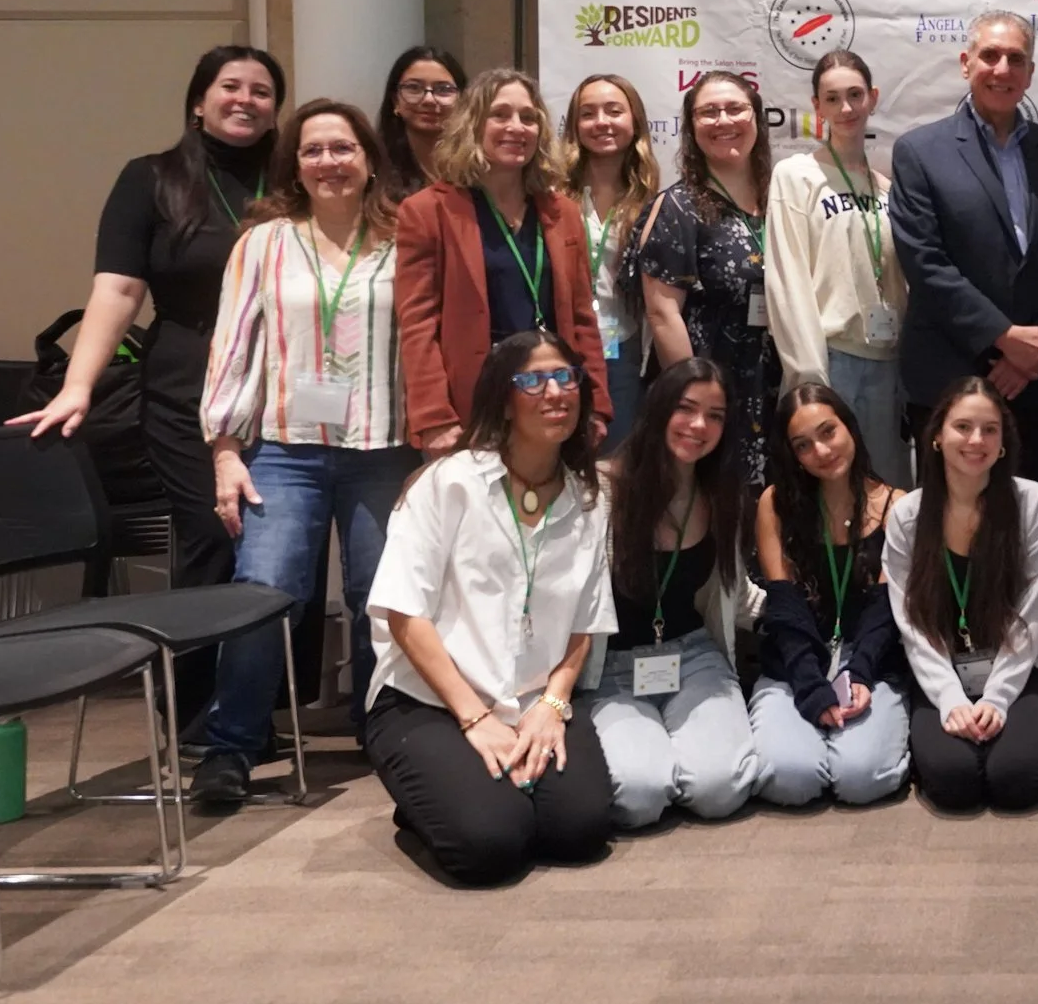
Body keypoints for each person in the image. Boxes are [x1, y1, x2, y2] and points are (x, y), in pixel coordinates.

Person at [18, 44, 287, 733]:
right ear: (198, 100)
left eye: (262, 91)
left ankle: (263, 705)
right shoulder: (152, 179)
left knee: (280, 541)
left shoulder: (292, 175)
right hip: (183, 381)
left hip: (285, 378)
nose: (246, 100)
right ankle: (195, 707)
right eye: (231, 86)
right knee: (212, 534)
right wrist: (78, 384)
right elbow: (118, 287)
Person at [190, 99, 417, 806]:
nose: (329, 161)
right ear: (295, 162)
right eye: (314, 150)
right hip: (286, 450)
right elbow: (232, 349)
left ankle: (386, 730)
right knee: (265, 595)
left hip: (385, 449)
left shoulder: (404, 236)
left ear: (369, 157)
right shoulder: (261, 243)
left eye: (342, 148)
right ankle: (234, 743)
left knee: (381, 600)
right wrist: (226, 451)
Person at [361, 332, 616, 886]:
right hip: (427, 700)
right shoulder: (449, 484)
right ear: (504, 397)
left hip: (530, 701)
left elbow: (584, 624)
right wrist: (473, 717)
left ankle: (465, 789)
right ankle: (431, 794)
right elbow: (404, 614)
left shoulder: (587, 497)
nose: (554, 392)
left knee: (580, 830)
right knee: (489, 846)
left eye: (565, 377)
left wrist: (552, 703)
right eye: (532, 380)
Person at [890, 11, 1038, 485]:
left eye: (1016, 59)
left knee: (1024, 525)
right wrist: (1003, 338)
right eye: (990, 56)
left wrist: (1033, 353)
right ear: (966, 63)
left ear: (1030, 73)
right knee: (943, 529)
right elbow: (925, 263)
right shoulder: (919, 151)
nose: (1002, 69)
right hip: (948, 373)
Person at [584, 358, 764, 827]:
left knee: (720, 790)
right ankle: (656, 758)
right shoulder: (600, 492)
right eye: (686, 408)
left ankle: (675, 754)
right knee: (638, 797)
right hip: (613, 668)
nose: (699, 425)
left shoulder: (722, 495)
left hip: (694, 657)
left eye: (716, 415)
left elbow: (734, 593)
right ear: (659, 410)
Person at [395, 68, 609, 458]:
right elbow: (418, 326)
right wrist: (433, 417)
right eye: (500, 115)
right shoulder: (428, 211)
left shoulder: (563, 212)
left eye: (528, 117)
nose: (517, 127)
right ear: (473, 124)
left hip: (552, 398)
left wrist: (595, 404)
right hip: (472, 407)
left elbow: (582, 318)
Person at [884, 377, 1038, 811]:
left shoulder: (1033, 503)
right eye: (963, 426)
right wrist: (949, 698)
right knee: (952, 782)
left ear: (1004, 442)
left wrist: (999, 698)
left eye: (989, 429)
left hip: (1020, 671)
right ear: (937, 437)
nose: (976, 440)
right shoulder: (908, 515)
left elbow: (1033, 612)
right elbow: (910, 621)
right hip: (940, 669)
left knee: (1018, 779)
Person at [748, 383, 910, 807]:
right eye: (803, 445)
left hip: (870, 662)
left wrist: (859, 674)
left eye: (828, 432)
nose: (821, 451)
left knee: (860, 778)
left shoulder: (899, 505)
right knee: (789, 779)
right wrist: (807, 683)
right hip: (794, 659)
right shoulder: (776, 503)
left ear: (850, 429)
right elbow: (783, 605)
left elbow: (884, 613)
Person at [766, 51, 912, 487]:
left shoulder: (886, 187)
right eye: (833, 98)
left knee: (884, 490)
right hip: (830, 359)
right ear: (817, 107)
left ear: (872, 98)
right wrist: (809, 378)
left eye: (855, 95)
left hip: (887, 362)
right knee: (826, 493)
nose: (846, 108)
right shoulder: (795, 175)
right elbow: (787, 280)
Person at [631, 71, 778, 495]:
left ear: (757, 118)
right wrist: (698, 402)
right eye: (708, 112)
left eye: (735, 108)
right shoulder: (678, 206)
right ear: (692, 127)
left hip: (774, 383)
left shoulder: (779, 199)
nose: (723, 120)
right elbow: (662, 313)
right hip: (712, 388)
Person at [559, 72, 662, 447]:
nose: (601, 122)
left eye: (613, 111)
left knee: (614, 470)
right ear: (574, 126)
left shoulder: (652, 203)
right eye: (588, 114)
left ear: (633, 121)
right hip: (559, 348)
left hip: (624, 351)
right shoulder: (552, 196)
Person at [377, 46, 467, 199]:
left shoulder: (480, 171)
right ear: (395, 101)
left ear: (463, 100)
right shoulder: (374, 170)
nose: (429, 100)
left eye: (443, 89)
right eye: (414, 88)